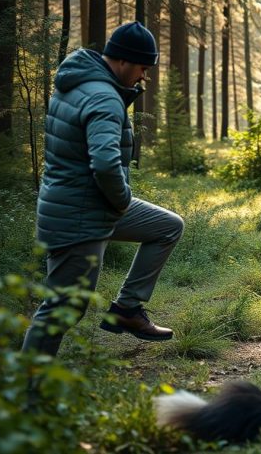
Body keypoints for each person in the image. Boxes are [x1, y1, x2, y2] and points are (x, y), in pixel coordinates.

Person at [22, 21, 183, 357]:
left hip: (86, 204)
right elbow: (106, 165)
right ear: (123, 61)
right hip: (77, 216)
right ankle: (26, 390)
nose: (143, 77)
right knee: (63, 308)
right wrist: (122, 201)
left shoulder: (78, 84)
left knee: (168, 225)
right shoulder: (104, 99)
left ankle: (127, 310)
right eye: (142, 68)